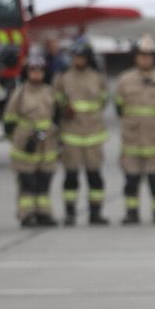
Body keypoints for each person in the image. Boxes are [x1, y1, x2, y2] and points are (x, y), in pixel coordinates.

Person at [113, 35, 155, 225]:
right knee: (131, 181)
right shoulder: (125, 80)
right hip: (132, 141)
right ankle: (132, 212)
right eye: (142, 55)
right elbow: (119, 107)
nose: (145, 59)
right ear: (136, 57)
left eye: (149, 55)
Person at [54, 40, 109, 226]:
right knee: (70, 176)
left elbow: (103, 100)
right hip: (71, 135)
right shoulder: (63, 78)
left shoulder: (97, 78)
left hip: (93, 135)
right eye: (75, 57)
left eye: (82, 57)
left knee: (94, 176)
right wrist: (64, 108)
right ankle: (70, 213)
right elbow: (57, 101)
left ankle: (96, 213)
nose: (78, 60)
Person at [3, 55, 59, 227]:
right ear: (27, 72)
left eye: (40, 70)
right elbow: (9, 120)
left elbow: (57, 116)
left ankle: (43, 213)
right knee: (27, 182)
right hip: (25, 142)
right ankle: (26, 215)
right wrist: (18, 140)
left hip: (47, 143)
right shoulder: (20, 93)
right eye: (33, 70)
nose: (36, 74)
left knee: (44, 180)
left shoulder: (50, 91)